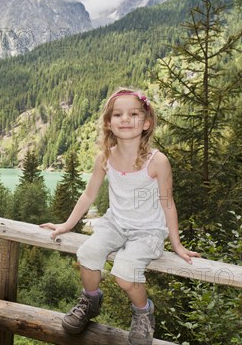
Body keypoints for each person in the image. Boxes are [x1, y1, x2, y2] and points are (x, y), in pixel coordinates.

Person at [40, 88, 200, 345]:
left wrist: (177, 245)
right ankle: (91, 301)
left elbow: (168, 203)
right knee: (88, 254)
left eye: (133, 114)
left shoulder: (157, 161)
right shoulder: (105, 157)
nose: (125, 119)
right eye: (118, 114)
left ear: (146, 122)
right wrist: (66, 225)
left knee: (124, 272)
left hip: (148, 230)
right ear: (109, 122)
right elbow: (88, 195)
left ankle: (143, 313)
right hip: (115, 223)